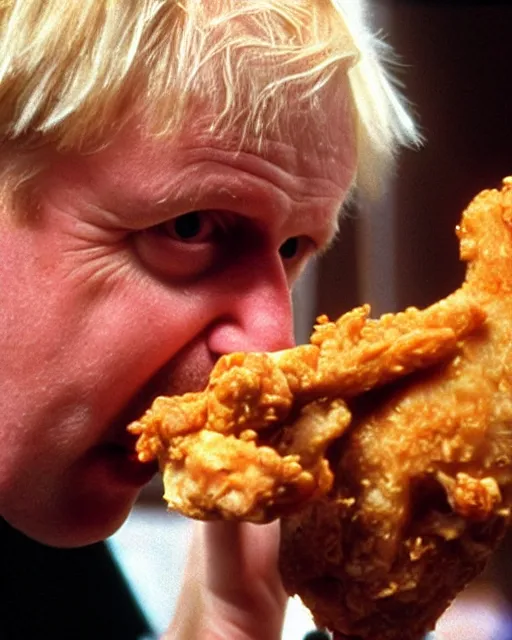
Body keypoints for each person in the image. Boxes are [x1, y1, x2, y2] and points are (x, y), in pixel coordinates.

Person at [0, 1, 418, 638]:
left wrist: (228, 621)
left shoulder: (46, 569)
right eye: (188, 227)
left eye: (291, 249)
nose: (273, 345)